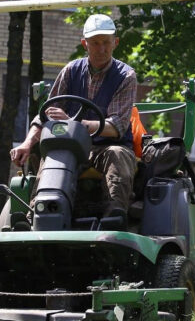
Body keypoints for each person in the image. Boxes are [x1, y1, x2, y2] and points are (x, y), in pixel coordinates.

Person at [10, 13, 138, 221]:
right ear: (84, 44)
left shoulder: (125, 76)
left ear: (116, 42)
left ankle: (114, 215)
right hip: (74, 146)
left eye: (106, 42)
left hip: (107, 147)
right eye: (95, 43)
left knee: (118, 154)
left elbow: (116, 126)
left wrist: (73, 122)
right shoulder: (70, 71)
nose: (102, 49)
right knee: (52, 153)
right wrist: (26, 143)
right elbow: (45, 115)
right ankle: (37, 213)